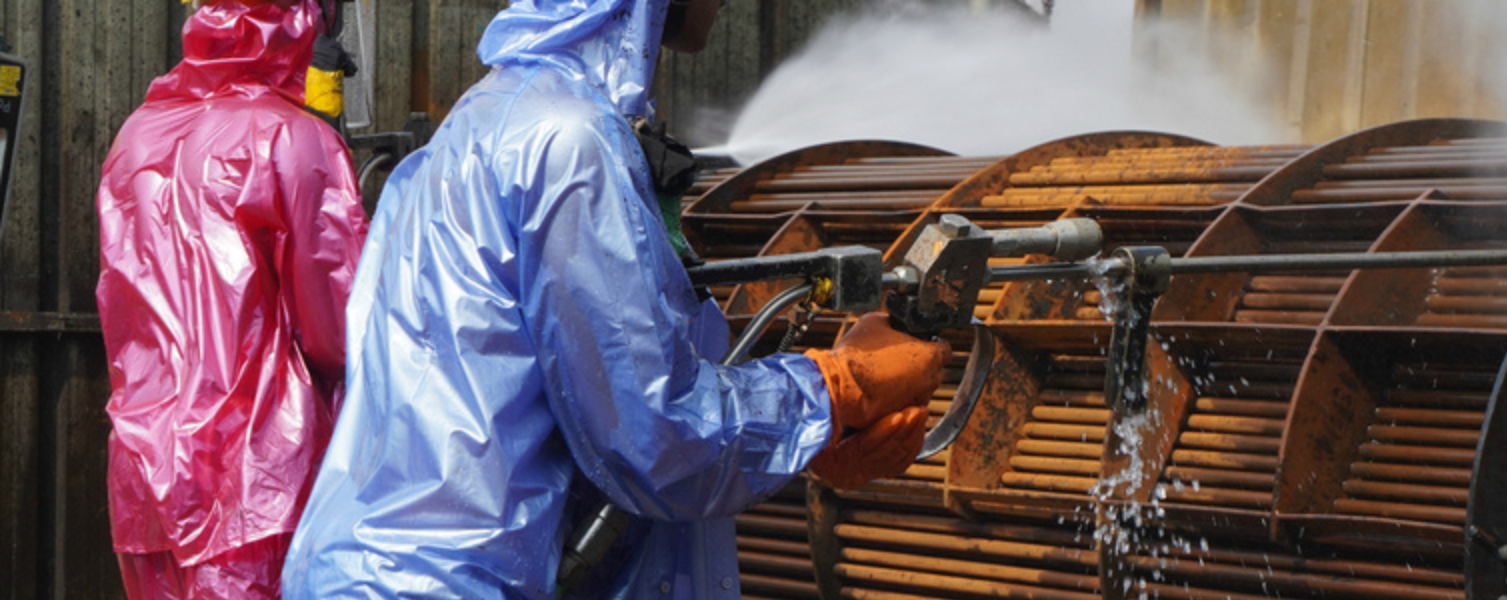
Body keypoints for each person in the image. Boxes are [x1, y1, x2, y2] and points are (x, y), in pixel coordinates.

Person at [282, 0, 950, 598]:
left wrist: (799, 443)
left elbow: (551, 407)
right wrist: (831, 392)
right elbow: (652, 437)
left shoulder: (482, 121)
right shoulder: (569, 144)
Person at [95, 0, 368, 598]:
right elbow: (342, 335)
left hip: (146, 475)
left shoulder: (136, 136)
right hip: (253, 483)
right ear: (298, 21)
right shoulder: (296, 140)